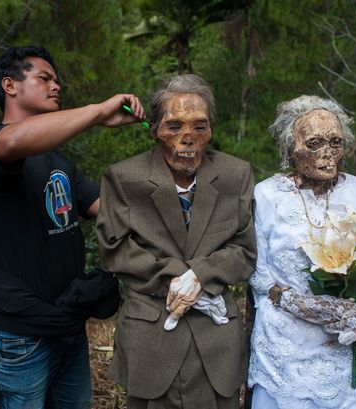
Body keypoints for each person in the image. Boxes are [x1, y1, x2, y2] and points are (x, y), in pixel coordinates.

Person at [0, 45, 145, 409]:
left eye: (57, 80)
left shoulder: (55, 160)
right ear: (10, 86)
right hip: (20, 336)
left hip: (66, 324)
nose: (56, 86)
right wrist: (98, 112)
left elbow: (106, 208)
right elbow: (16, 139)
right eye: (44, 78)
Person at [95, 74, 256, 408]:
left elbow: (245, 248)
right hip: (151, 338)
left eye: (199, 127)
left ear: (211, 128)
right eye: (174, 126)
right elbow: (114, 247)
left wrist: (200, 276)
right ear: (155, 129)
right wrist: (175, 279)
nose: (188, 139)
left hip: (217, 344)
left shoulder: (235, 175)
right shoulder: (124, 178)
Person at [248, 95, 356, 408]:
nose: (327, 154)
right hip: (289, 347)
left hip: (355, 344)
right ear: (290, 147)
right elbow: (259, 279)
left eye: (335, 142)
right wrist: (304, 304)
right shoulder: (266, 195)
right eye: (314, 143)